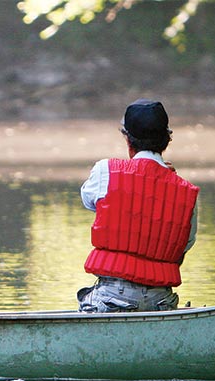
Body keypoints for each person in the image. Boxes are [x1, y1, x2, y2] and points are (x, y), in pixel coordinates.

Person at [77, 99, 199, 313]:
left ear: (127, 139)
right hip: (162, 303)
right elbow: (185, 244)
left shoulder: (105, 170)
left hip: (111, 299)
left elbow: (89, 200)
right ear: (167, 140)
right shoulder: (187, 193)